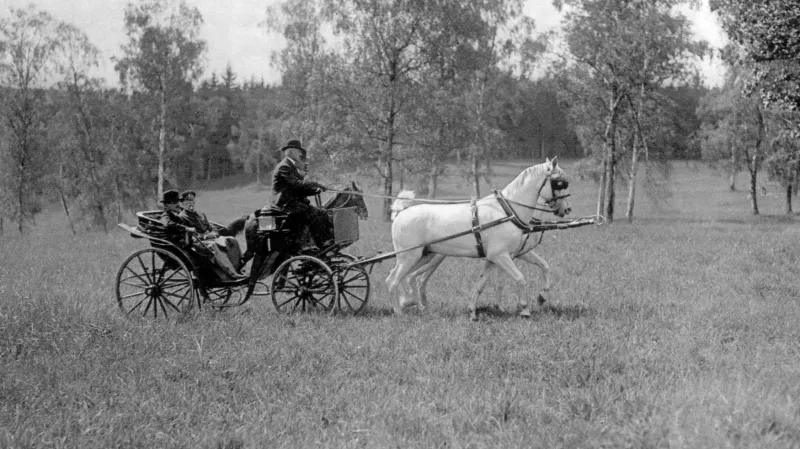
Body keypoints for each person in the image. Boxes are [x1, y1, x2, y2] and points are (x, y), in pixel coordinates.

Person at [158, 189, 244, 281]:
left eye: (177, 201)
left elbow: (198, 226)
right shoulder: (165, 216)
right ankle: (232, 273)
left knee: (231, 240)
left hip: (193, 240)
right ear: (167, 205)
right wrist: (186, 228)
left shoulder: (178, 215)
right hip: (185, 245)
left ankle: (237, 269)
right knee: (213, 245)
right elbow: (168, 224)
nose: (178, 204)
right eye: (174, 202)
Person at [267, 139, 333, 254]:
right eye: (299, 152)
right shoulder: (284, 167)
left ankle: (322, 241)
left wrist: (314, 191)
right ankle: (307, 244)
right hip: (283, 204)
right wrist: (315, 184)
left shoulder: (290, 166)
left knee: (322, 212)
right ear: (292, 152)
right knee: (310, 212)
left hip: (290, 201)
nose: (300, 155)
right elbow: (296, 185)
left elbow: (298, 189)